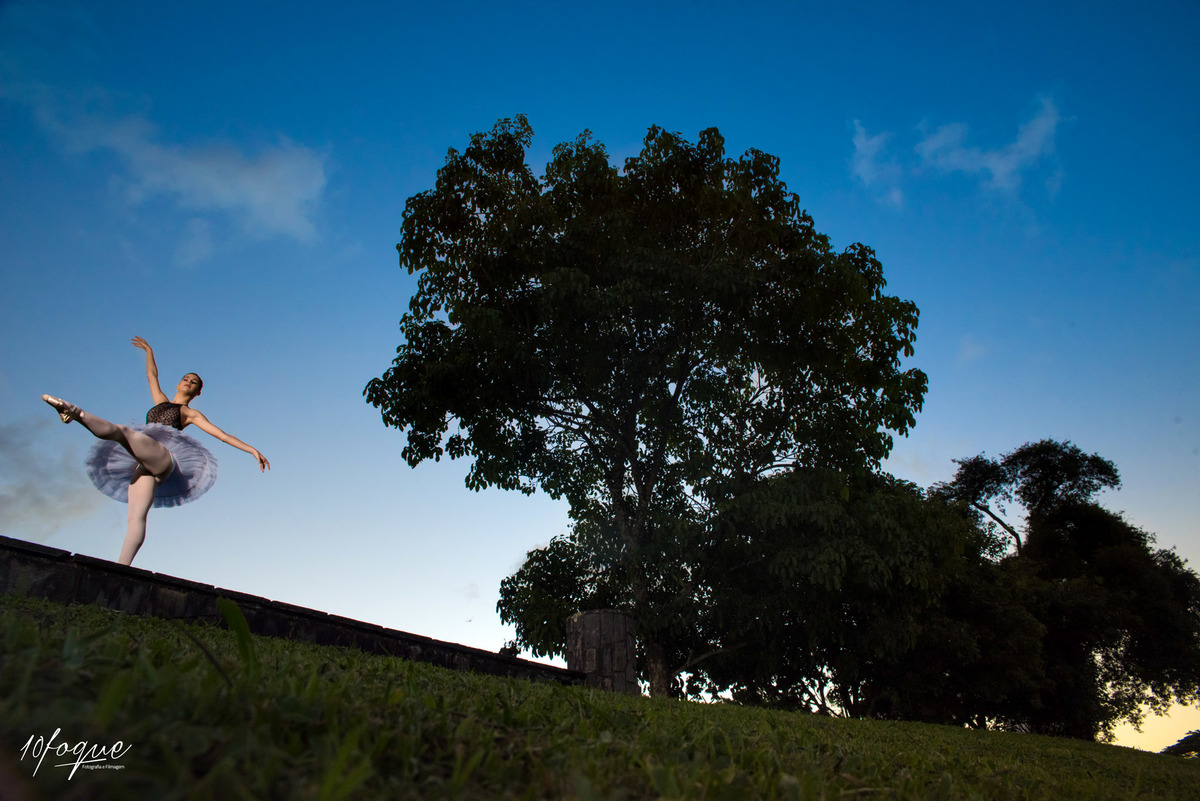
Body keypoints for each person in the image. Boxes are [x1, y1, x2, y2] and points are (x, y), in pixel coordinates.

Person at [42, 336, 269, 565]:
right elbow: (152, 376)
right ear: (178, 384)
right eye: (186, 379)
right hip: (145, 463)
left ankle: (74, 412)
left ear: (198, 392)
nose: (189, 382)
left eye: (194, 382)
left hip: (165, 458)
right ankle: (122, 568)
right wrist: (149, 350)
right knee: (136, 516)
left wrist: (251, 450)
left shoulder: (191, 414)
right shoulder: (160, 401)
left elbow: (222, 435)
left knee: (124, 432)